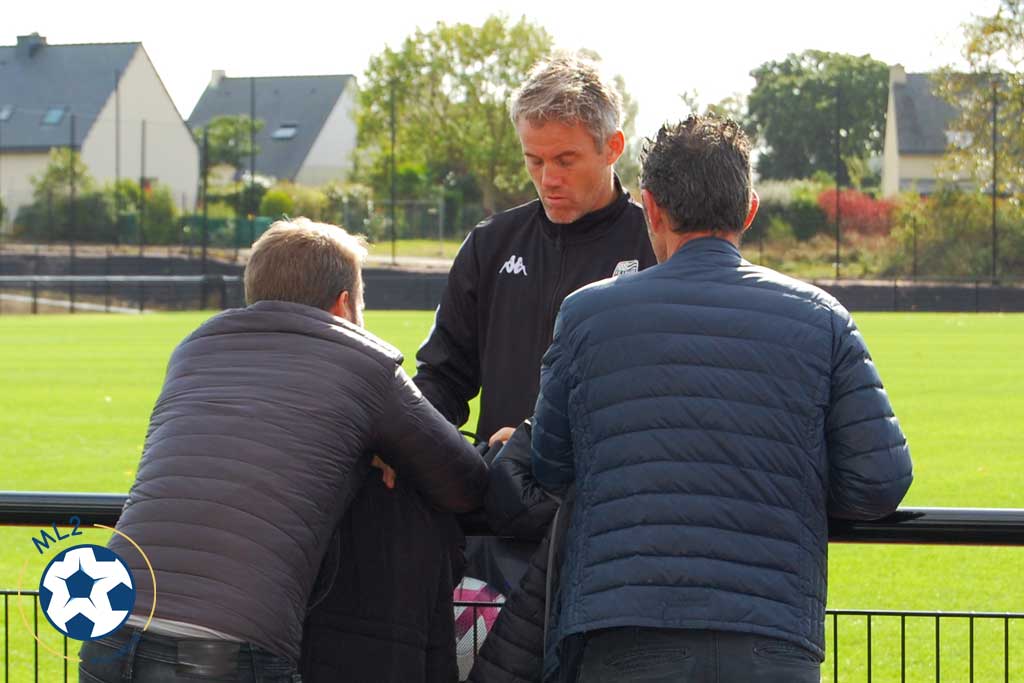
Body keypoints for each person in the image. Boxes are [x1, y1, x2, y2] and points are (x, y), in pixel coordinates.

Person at [528, 114, 914, 682]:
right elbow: (879, 481)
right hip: (772, 638)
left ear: (651, 208)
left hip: (626, 630)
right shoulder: (821, 318)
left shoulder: (586, 313)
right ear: (749, 209)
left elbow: (550, 464)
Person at [79, 218, 488, 683]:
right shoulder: (365, 362)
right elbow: (464, 482)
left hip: (109, 630)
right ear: (344, 304)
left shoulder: (194, 349)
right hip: (227, 649)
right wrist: (384, 443)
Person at [414, 52, 657, 594]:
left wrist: (534, 442)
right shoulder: (491, 244)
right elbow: (442, 376)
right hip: (504, 534)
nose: (548, 179)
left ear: (613, 147)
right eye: (534, 160)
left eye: (566, 160)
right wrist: (410, 443)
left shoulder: (655, 246)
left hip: (613, 529)